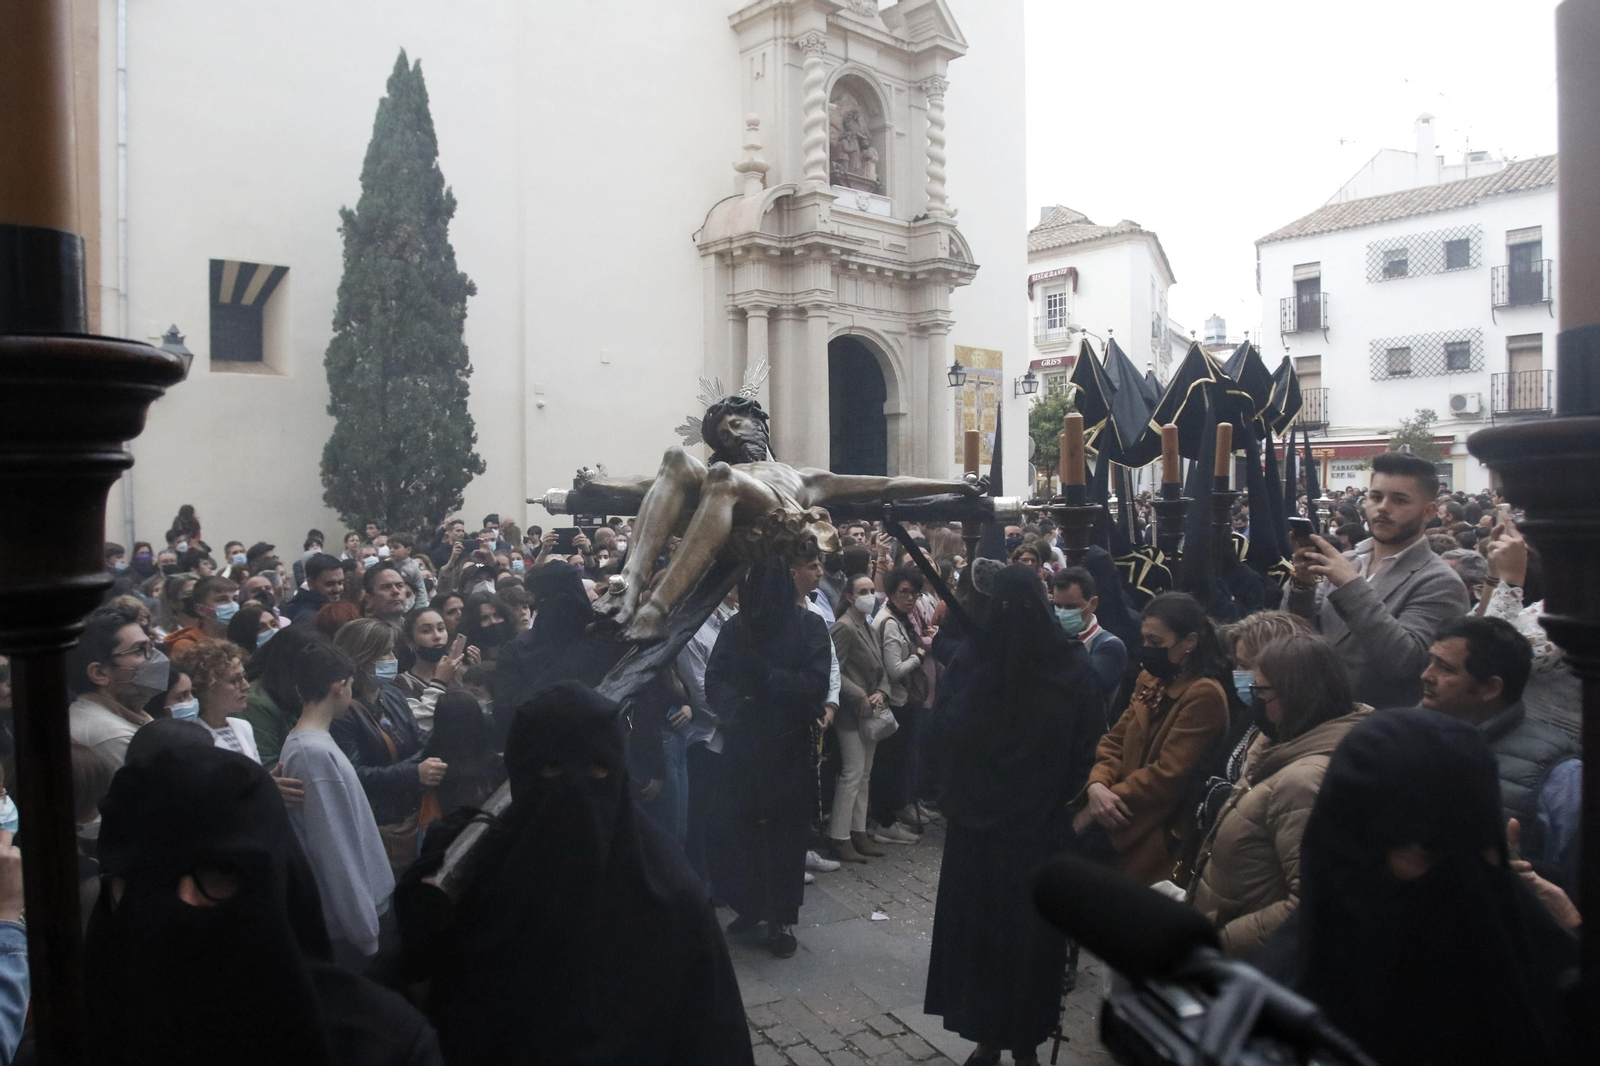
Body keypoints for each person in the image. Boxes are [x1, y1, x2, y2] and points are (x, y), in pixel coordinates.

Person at [398, 682, 752, 1065]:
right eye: (552, 769)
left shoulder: (670, 896)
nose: (575, 793)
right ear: (522, 773)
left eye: (597, 769)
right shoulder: (471, 877)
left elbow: (714, 1036)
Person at [1260, 708, 1581, 1066]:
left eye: (1481, 847)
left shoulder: (1538, 950)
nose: (1462, 877)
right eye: (1423, 851)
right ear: (1349, 847)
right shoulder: (1288, 1015)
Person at [86, 744, 443, 1064]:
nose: (184, 902)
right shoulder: (67, 1037)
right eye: (148, 877)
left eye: (220, 874)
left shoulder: (381, 1044)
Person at [924, 566, 1103, 1066]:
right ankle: (1004, 1041)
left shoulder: (975, 661)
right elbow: (1086, 750)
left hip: (998, 835)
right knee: (1011, 943)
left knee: (998, 941)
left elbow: (939, 739)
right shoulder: (1068, 670)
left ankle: (1001, 1041)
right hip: (1027, 835)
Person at [1187, 635, 1371, 956]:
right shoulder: (1277, 745)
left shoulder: (1305, 781)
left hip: (1240, 962)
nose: (1253, 698)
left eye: (1260, 690)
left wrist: (1218, 942)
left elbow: (1307, 905)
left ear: (1295, 695)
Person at [705, 557, 833, 958]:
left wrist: (770, 678)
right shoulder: (735, 628)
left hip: (788, 745)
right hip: (746, 745)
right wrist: (736, 709)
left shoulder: (810, 626)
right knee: (742, 830)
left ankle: (781, 917)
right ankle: (749, 904)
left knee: (784, 836)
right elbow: (716, 679)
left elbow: (815, 682)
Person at [1286, 451, 1470, 708]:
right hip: (1314, 714)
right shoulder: (1349, 560)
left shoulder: (1439, 582)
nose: (1383, 507)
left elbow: (1404, 663)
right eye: (1376, 497)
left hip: (1376, 730)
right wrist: (1302, 583)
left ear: (1428, 511)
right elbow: (1297, 635)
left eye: (1399, 500)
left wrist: (1351, 586)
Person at [1074, 592, 1229, 884]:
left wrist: (1103, 804)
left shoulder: (1203, 694)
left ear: (1189, 643)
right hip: (1112, 806)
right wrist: (1097, 785)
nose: (1147, 649)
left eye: (1156, 643)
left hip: (1150, 828)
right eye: (1145, 640)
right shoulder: (1150, 679)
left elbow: (1168, 775)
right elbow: (1114, 741)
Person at [1420, 614, 1580, 888]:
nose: (1426, 675)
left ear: (1490, 688)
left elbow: (1577, 888)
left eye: (1445, 668)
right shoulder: (1407, 735)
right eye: (1431, 661)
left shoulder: (1562, 777)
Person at [280, 641, 397, 964]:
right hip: (354, 926)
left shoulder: (313, 745)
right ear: (340, 685)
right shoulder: (313, 754)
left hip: (362, 913)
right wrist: (365, 932)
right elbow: (334, 846)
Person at [330, 619, 441, 873]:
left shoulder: (390, 693)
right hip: (379, 821)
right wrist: (414, 772)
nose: (393, 658)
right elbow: (354, 775)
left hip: (410, 809)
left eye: (392, 649)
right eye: (385, 652)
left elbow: (419, 740)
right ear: (359, 657)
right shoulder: (344, 713)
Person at [827, 573, 892, 864]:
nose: (870, 595)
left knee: (865, 773)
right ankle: (839, 835)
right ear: (851, 597)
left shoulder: (867, 624)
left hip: (872, 706)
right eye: (862, 591)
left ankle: (858, 831)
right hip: (852, 711)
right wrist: (859, 694)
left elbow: (881, 668)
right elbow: (834, 670)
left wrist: (881, 691)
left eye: (871, 589)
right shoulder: (844, 627)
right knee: (852, 772)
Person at [870, 564, 929, 845]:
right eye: (904, 592)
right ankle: (884, 821)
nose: (910, 598)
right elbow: (894, 669)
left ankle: (892, 812)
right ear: (891, 593)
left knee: (898, 762)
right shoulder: (890, 623)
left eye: (914, 593)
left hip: (901, 700)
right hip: (894, 701)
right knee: (889, 764)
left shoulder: (899, 617)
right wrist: (919, 655)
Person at [66, 605, 160, 770]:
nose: (153, 659)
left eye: (151, 647)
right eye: (139, 650)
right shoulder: (111, 736)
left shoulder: (127, 711)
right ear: (99, 673)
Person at [1049, 567, 1127, 729]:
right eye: (1058, 606)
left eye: (1071, 607)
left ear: (1093, 604)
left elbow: (1082, 690)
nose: (1063, 613)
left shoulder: (1110, 647)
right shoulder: (1051, 638)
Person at [176, 641, 263, 763]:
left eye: (244, 677)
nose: (246, 686)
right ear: (206, 686)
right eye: (234, 680)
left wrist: (267, 779)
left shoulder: (243, 727)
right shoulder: (191, 738)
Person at [395, 606, 470, 735]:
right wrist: (439, 682)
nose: (437, 636)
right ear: (410, 642)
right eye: (426, 631)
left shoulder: (462, 671)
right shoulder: (402, 683)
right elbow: (419, 725)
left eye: (441, 629)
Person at [162, 574, 239, 659]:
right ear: (200, 610)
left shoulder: (242, 636)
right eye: (221, 599)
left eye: (235, 599)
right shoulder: (187, 646)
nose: (232, 604)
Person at [286, 553, 346, 625]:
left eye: (340, 583)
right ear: (311, 583)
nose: (337, 589)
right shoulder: (306, 617)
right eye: (329, 584)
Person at [363, 561, 409, 631]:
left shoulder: (413, 629)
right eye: (386, 587)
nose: (396, 591)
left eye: (400, 585)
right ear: (370, 599)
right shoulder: (365, 634)